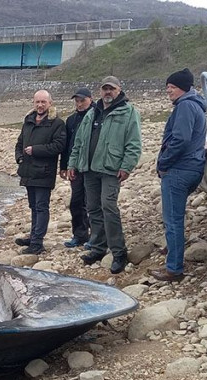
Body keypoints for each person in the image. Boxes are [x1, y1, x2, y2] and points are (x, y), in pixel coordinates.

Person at [64, 76, 142, 274]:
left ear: (119, 90)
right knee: (93, 208)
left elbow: (134, 144)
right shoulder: (93, 113)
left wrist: (127, 167)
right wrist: (73, 163)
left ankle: (119, 252)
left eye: (111, 89)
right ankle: (98, 247)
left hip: (110, 169)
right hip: (89, 169)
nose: (108, 92)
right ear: (100, 91)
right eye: (104, 89)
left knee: (109, 207)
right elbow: (79, 142)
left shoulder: (128, 112)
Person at [150, 68, 207, 282]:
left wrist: (163, 162)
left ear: (182, 88)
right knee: (176, 218)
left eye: (171, 88)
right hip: (193, 168)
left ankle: (174, 268)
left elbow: (181, 139)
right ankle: (173, 252)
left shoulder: (184, 106)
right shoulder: (196, 106)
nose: (168, 92)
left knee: (172, 220)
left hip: (179, 170)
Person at [13, 89, 67, 255]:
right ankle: (34, 236)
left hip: (44, 172)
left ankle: (37, 243)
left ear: (50, 103)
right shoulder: (28, 121)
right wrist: (20, 158)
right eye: (37, 102)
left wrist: (35, 150)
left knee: (41, 207)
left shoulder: (57, 123)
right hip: (28, 171)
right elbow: (19, 143)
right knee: (33, 206)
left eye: (43, 102)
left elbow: (59, 146)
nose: (40, 105)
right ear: (33, 103)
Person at [61, 87, 93, 249]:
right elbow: (67, 147)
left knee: (92, 203)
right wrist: (64, 166)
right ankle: (79, 235)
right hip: (75, 167)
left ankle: (94, 237)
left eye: (83, 101)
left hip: (91, 167)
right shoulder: (71, 120)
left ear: (90, 99)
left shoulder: (96, 116)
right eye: (77, 101)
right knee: (76, 202)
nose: (79, 104)